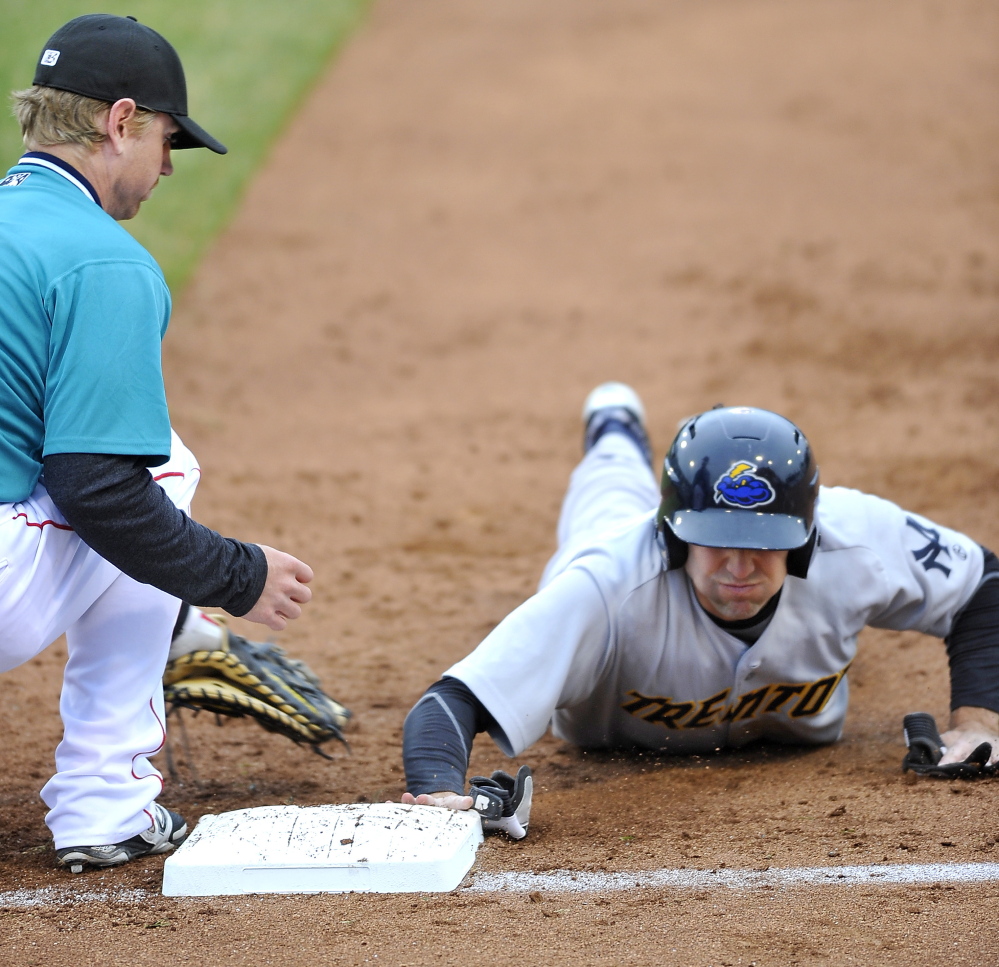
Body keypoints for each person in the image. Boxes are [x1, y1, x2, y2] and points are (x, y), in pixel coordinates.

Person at [400, 382, 999, 835]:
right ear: (674, 533)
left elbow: (984, 583)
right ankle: (614, 428)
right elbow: (449, 702)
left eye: (764, 545)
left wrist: (980, 724)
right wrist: (437, 792)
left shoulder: (857, 538)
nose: (739, 568)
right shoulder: (604, 586)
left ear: (807, 533)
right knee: (607, 492)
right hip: (608, 567)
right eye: (716, 541)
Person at [0, 15, 313, 872]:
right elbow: (98, 487)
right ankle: (107, 802)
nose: (168, 167)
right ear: (120, 120)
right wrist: (232, 575)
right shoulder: (104, 260)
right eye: (168, 141)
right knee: (158, 459)